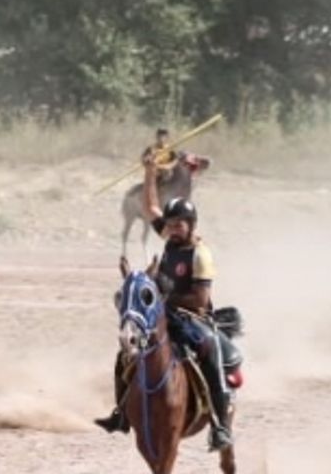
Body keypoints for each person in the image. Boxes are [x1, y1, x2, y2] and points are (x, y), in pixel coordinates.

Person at [95, 153, 233, 451]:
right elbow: (150, 207)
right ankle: (121, 414)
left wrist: (164, 297)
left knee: (210, 350)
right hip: (163, 313)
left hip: (193, 318)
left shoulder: (200, 254)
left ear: (191, 225)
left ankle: (220, 425)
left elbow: (200, 300)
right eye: (170, 224)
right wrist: (149, 172)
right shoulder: (170, 240)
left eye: (180, 224)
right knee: (126, 353)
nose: (173, 228)